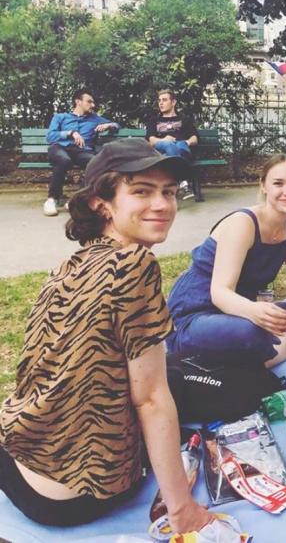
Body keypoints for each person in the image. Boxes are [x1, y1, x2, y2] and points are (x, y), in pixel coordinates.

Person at [0, 139, 212, 531]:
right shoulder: (135, 262)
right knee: (175, 385)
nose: (163, 204)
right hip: (75, 495)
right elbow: (149, 398)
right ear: (103, 204)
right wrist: (182, 510)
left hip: (17, 455)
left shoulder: (77, 260)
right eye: (142, 192)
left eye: (168, 192)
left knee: (171, 371)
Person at [167, 154, 286, 367]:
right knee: (253, 333)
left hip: (239, 312)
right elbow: (220, 293)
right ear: (263, 186)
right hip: (197, 314)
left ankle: (255, 357)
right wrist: (256, 312)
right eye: (278, 183)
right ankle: (261, 359)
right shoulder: (243, 223)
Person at [43, 88, 119, 217]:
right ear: (78, 102)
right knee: (63, 160)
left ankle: (76, 199)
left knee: (95, 162)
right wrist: (70, 133)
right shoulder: (60, 117)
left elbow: (117, 125)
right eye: (89, 102)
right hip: (60, 148)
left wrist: (109, 125)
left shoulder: (95, 118)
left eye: (93, 102)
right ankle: (52, 199)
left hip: (81, 151)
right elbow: (50, 136)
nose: (93, 105)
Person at [146, 89, 199, 199]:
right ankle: (183, 181)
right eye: (159, 100)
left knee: (179, 146)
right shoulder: (154, 120)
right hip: (161, 149)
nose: (160, 103)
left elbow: (195, 137)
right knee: (170, 145)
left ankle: (180, 182)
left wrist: (187, 141)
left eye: (164, 100)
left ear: (173, 102)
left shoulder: (184, 119)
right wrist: (164, 140)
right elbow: (151, 140)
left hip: (181, 148)